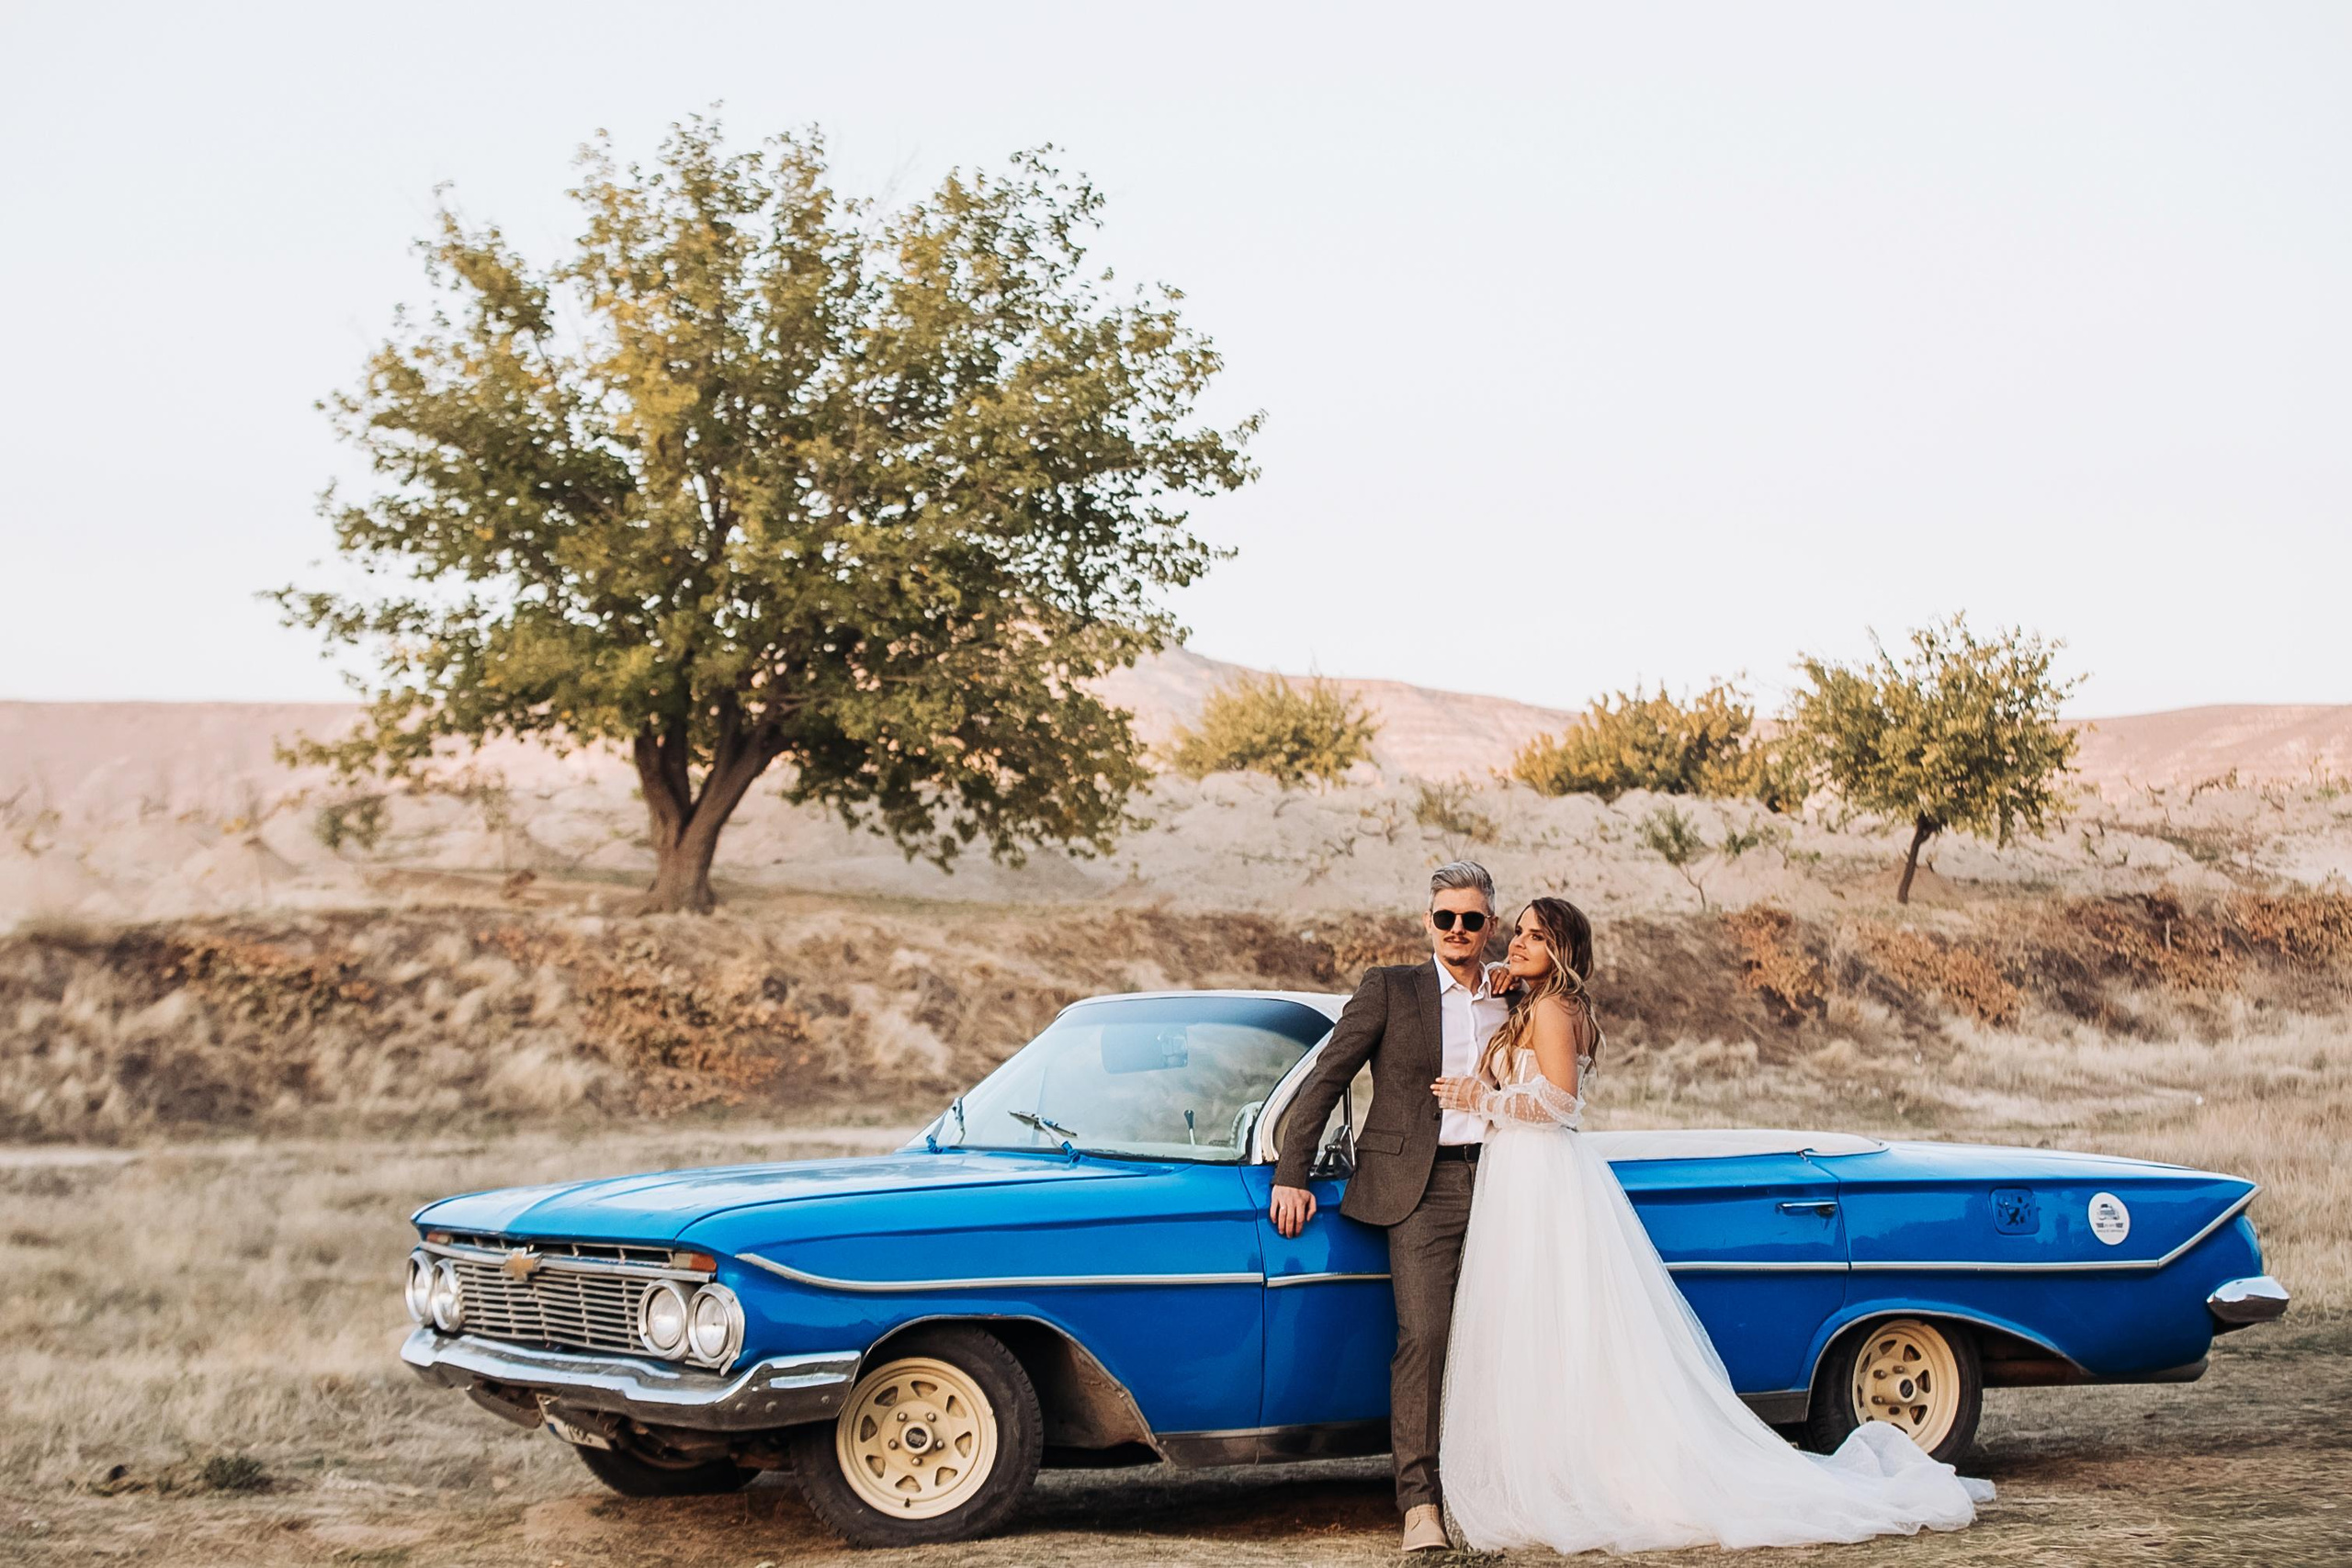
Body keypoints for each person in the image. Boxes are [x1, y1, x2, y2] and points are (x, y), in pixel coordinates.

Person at [1431, 897, 1994, 1553]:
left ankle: (1570, 1475)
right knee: (1539, 1325)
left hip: (1541, 1173)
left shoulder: (1555, 1008)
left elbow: (1559, 1100)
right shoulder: (1536, 1000)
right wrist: (1506, 974)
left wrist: (1483, 1098)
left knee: (1556, 1321)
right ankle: (1548, 1462)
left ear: (1563, 949)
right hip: (1519, 1174)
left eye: (1534, 935)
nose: (1517, 942)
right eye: (1518, 931)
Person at [1271, 861, 1510, 1552]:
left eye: (1470, 919)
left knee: (1501, 1339)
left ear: (1489, 925)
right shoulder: (1390, 988)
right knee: (1426, 1337)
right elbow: (1327, 1076)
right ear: (1429, 920)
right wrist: (1293, 1171)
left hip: (1503, 1180)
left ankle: (1495, 1489)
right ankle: (1420, 1505)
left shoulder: (1511, 996)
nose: (1457, 930)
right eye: (1445, 918)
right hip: (1421, 1188)